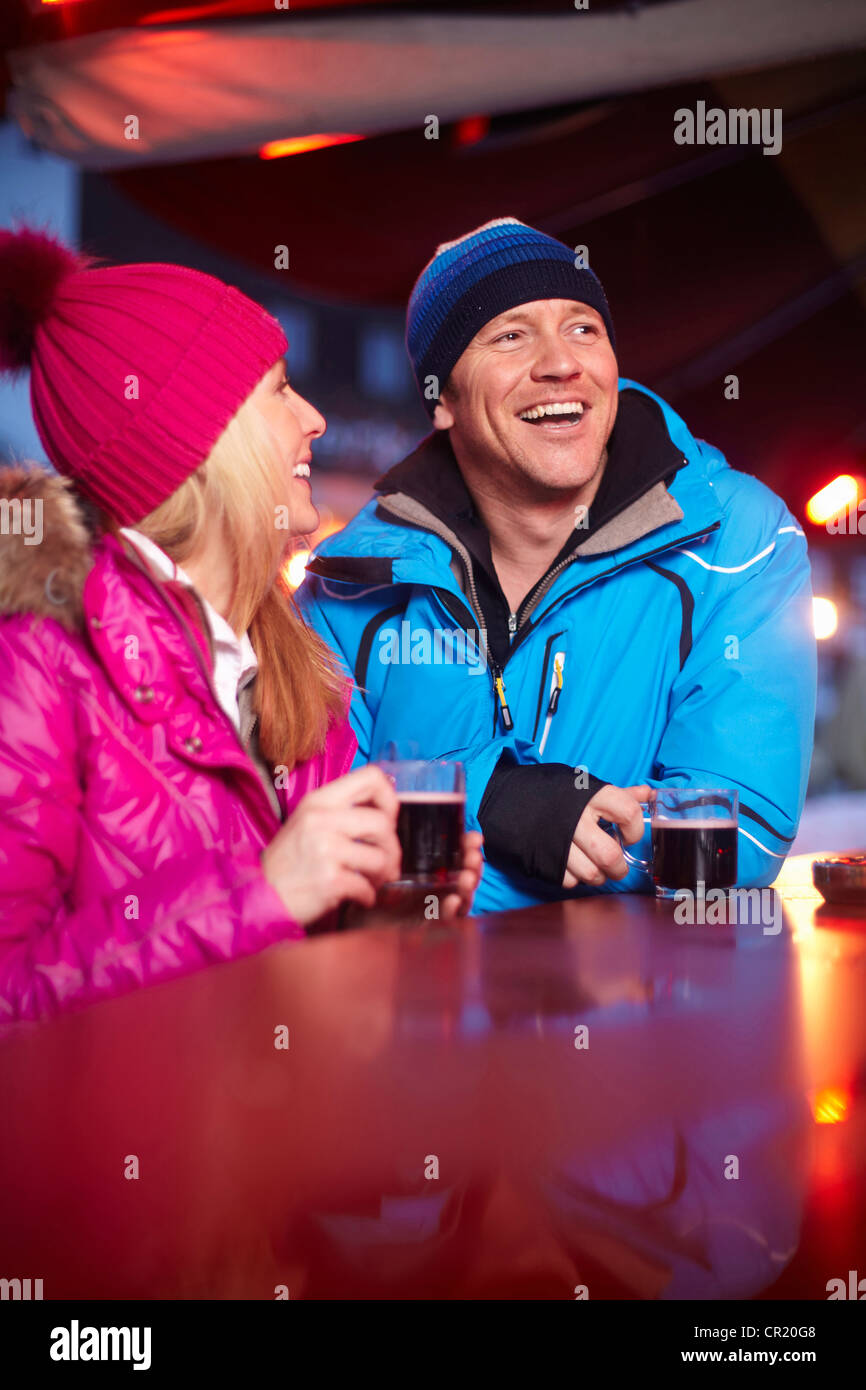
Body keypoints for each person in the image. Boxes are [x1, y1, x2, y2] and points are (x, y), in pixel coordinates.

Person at [0, 226, 483, 1021]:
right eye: (281, 390)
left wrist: (375, 910)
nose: (317, 417)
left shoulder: (295, 666)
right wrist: (262, 894)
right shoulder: (39, 662)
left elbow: (290, 976)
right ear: (203, 439)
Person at [297, 217, 817, 915]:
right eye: (510, 335)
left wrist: (469, 835)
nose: (561, 363)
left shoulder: (741, 541)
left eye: (583, 329)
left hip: (647, 1013)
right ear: (442, 400)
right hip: (411, 1010)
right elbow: (308, 826)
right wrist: (501, 800)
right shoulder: (348, 583)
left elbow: (736, 840)